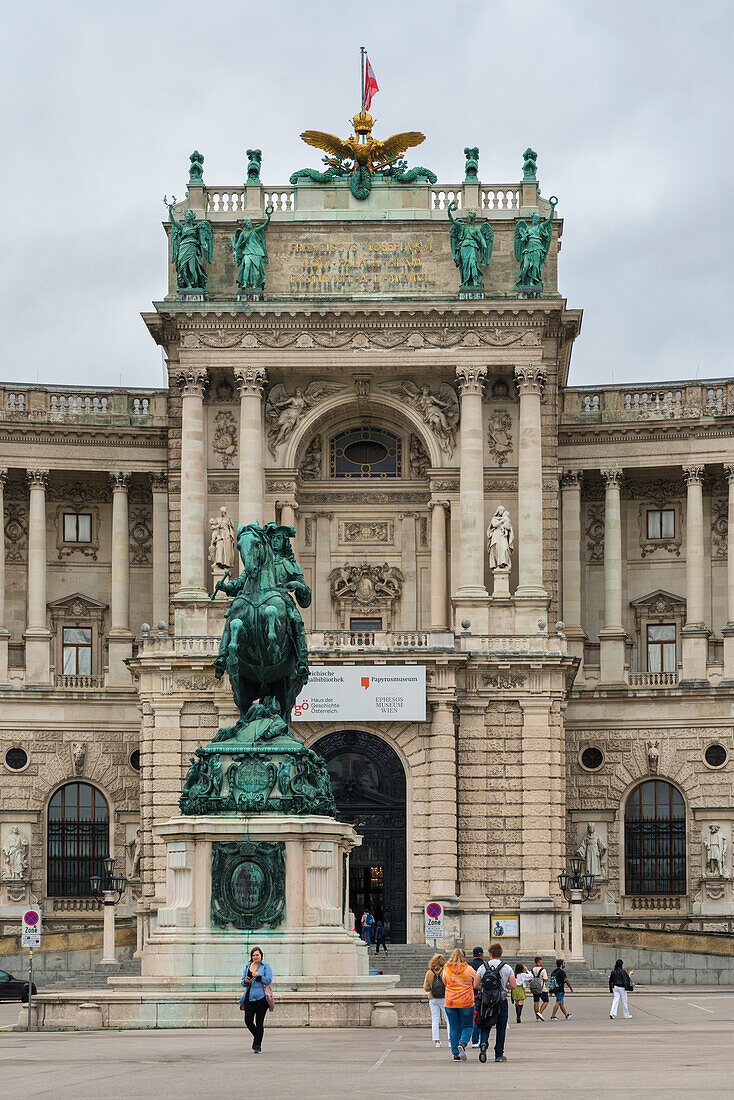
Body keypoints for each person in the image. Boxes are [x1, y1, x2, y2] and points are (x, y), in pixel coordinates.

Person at [473, 943, 516, 1063]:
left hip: (486, 1001)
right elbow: (514, 985)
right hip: (500, 1001)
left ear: (490, 954)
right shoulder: (507, 967)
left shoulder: (483, 967)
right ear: (500, 953)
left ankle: (483, 1043)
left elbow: (475, 985)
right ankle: (498, 1054)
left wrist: (485, 987)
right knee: (501, 1028)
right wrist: (504, 986)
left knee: (486, 1024)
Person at [441, 948, 477, 1061]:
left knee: (454, 1027)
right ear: (464, 957)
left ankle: (455, 1054)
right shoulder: (469, 970)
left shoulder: (446, 970)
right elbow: (476, 983)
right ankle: (462, 1043)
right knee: (468, 1025)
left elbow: (444, 982)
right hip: (466, 1002)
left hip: (450, 1002)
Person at [239, 946, 273, 1054]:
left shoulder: (265, 966)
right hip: (249, 997)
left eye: (257, 955)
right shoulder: (248, 966)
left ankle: (257, 1045)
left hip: (261, 998)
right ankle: (257, 1037)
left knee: (259, 1022)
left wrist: (258, 976)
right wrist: (246, 980)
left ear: (261, 956)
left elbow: (268, 980)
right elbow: (243, 982)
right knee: (248, 1021)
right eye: (253, 955)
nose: (255, 957)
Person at [423, 953, 449, 1047]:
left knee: (435, 1019)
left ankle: (437, 1041)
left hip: (433, 998)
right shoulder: (445, 971)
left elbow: (426, 988)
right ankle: (450, 1040)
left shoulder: (429, 973)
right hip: (444, 997)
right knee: (448, 1019)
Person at [469, 947, 485, 1047]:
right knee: (482, 1017)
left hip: (470, 995)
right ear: (482, 955)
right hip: (482, 995)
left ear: (473, 955)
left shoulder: (468, 966)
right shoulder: (485, 965)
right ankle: (481, 1040)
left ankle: (474, 1041)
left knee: (473, 1018)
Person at [529, 956, 549, 1020]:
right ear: (540, 961)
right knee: (546, 1001)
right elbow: (545, 979)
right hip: (542, 988)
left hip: (534, 988)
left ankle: (537, 1017)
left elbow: (529, 980)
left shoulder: (532, 970)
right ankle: (540, 1013)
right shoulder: (543, 970)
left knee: (536, 1002)